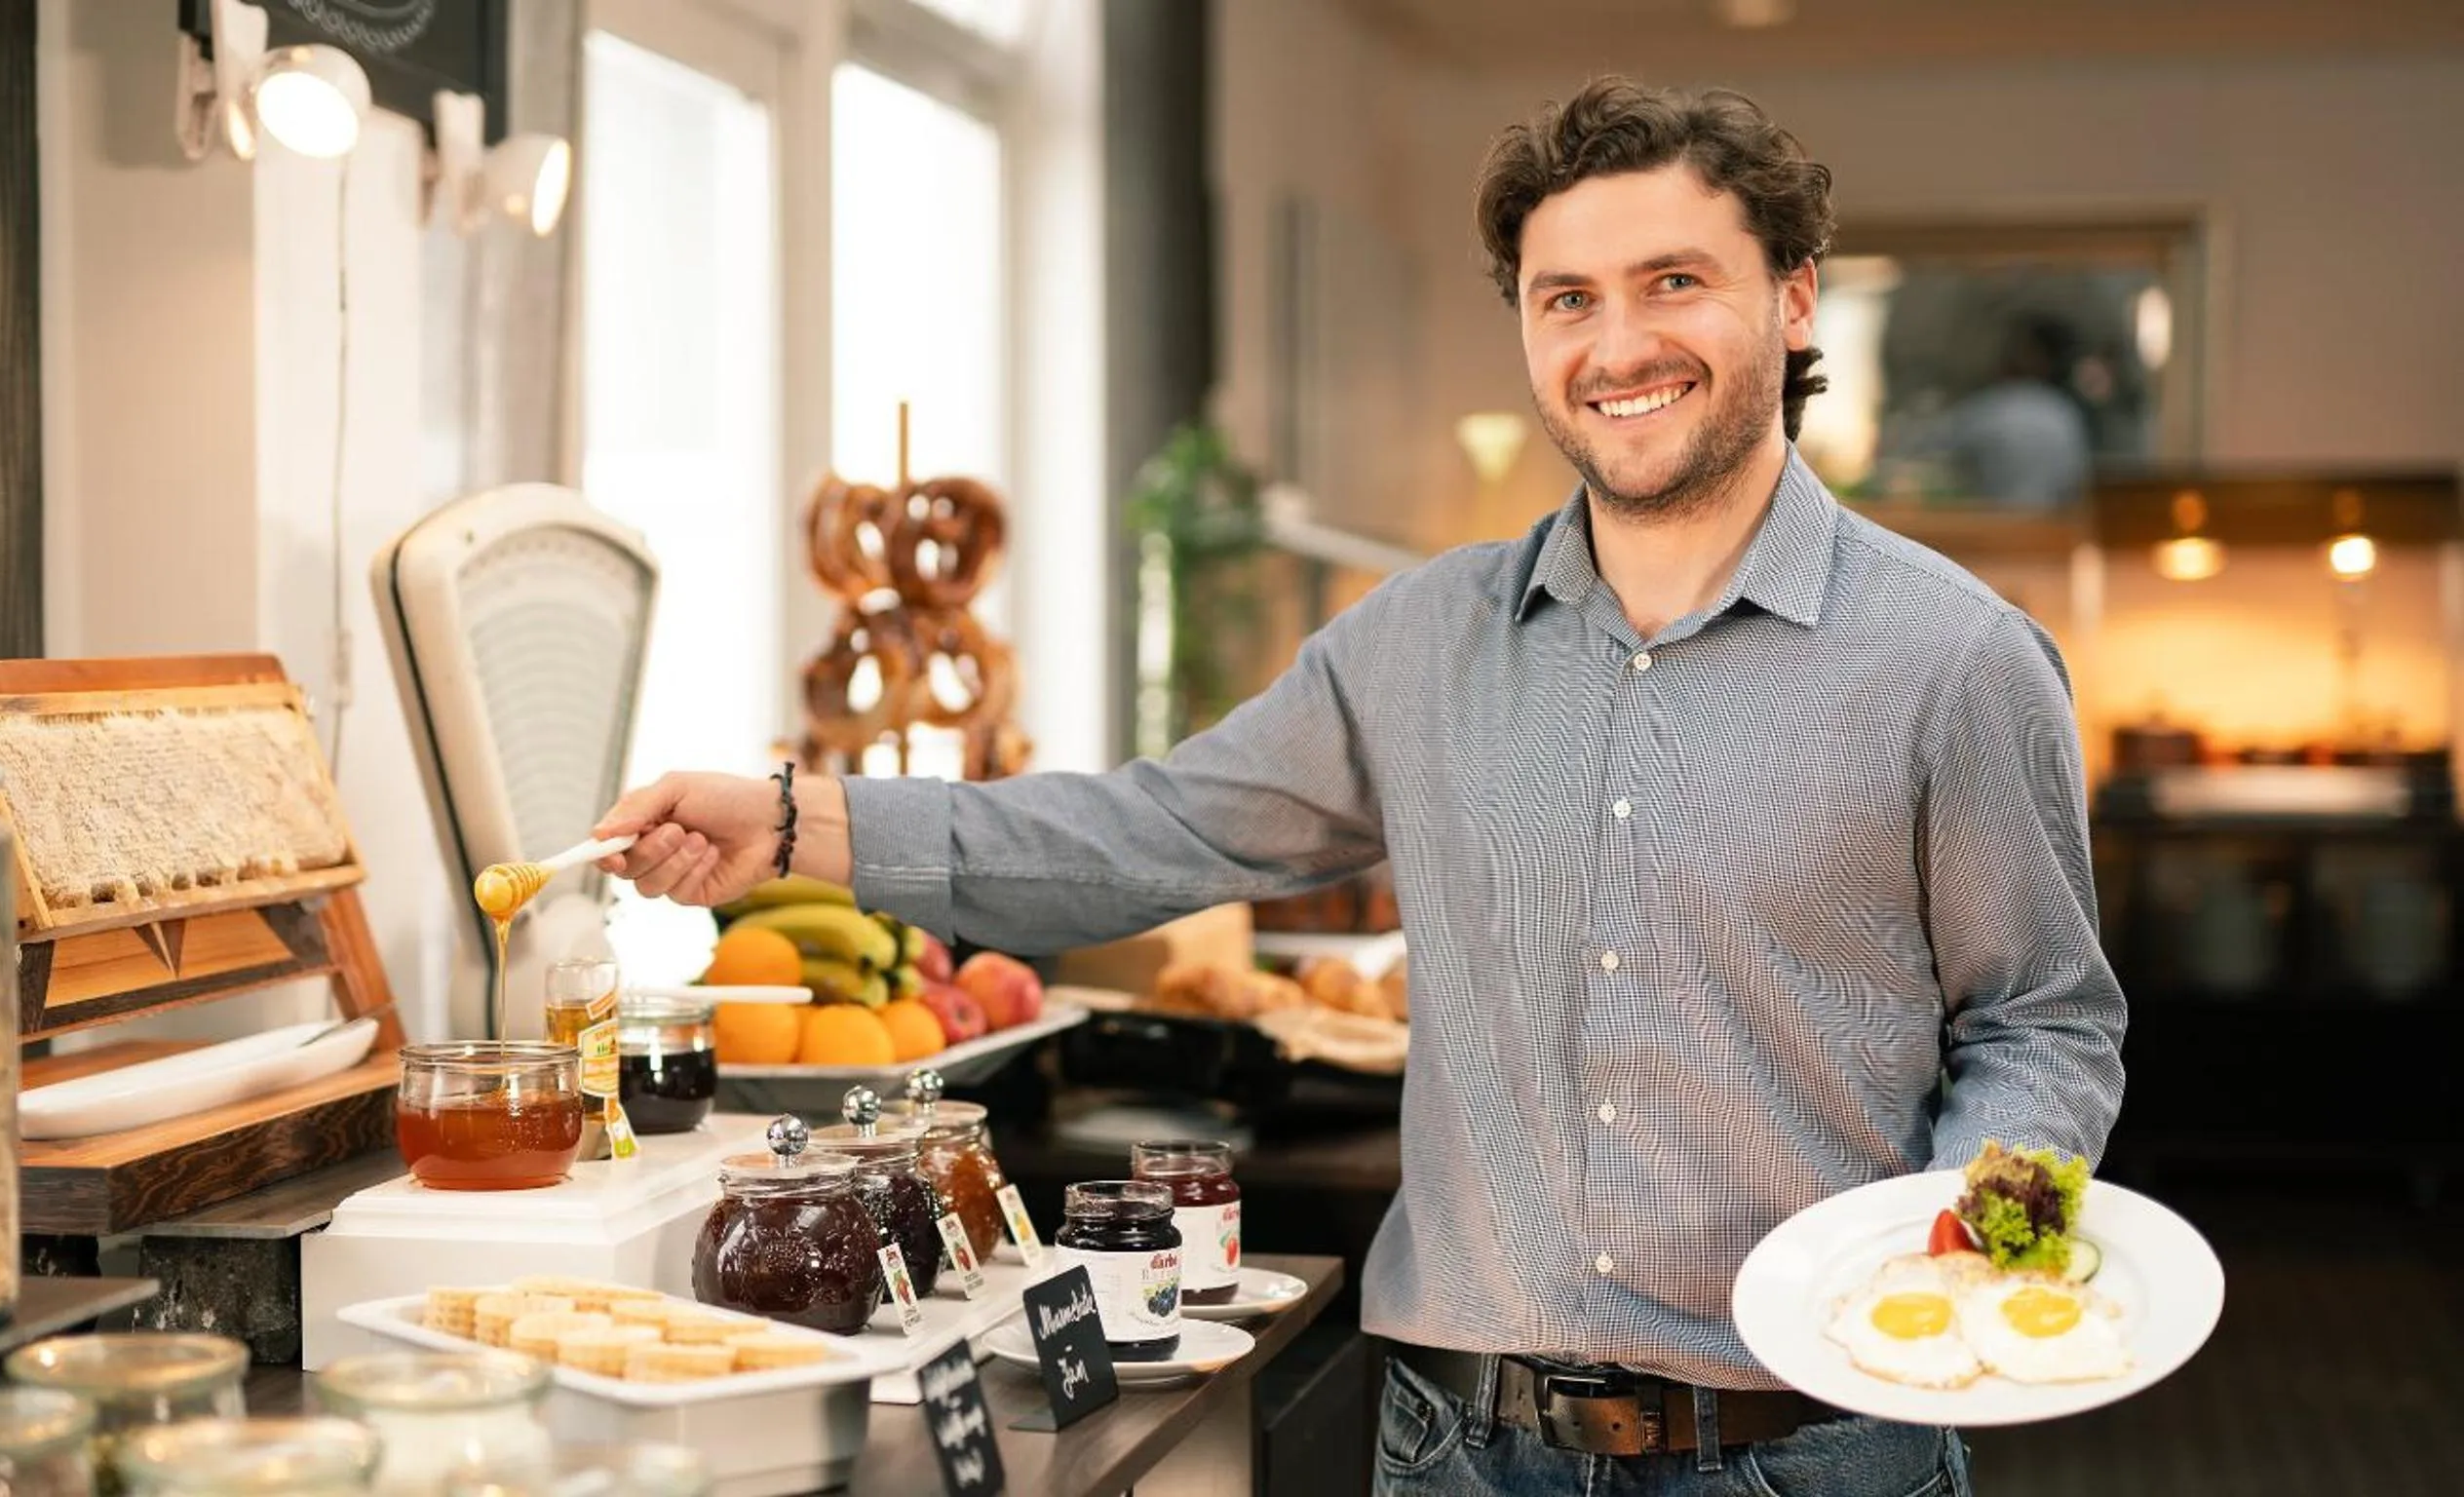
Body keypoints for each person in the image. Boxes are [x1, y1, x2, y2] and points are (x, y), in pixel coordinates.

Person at [592, 75, 2124, 1497]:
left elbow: (2043, 1022)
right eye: (1567, 298)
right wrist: (793, 822)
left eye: (1674, 281)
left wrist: (1960, 1257)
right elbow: (1146, 832)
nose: (1617, 345)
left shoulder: (1955, 662)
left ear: (1792, 299)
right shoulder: (1418, 644)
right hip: (1461, 1446)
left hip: (1813, 1449)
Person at [1892, 310, 2096, 508]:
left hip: (1994, 521)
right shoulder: (2066, 414)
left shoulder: (1994, 407)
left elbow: (1924, 449)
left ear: (2032, 355)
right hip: (2055, 523)